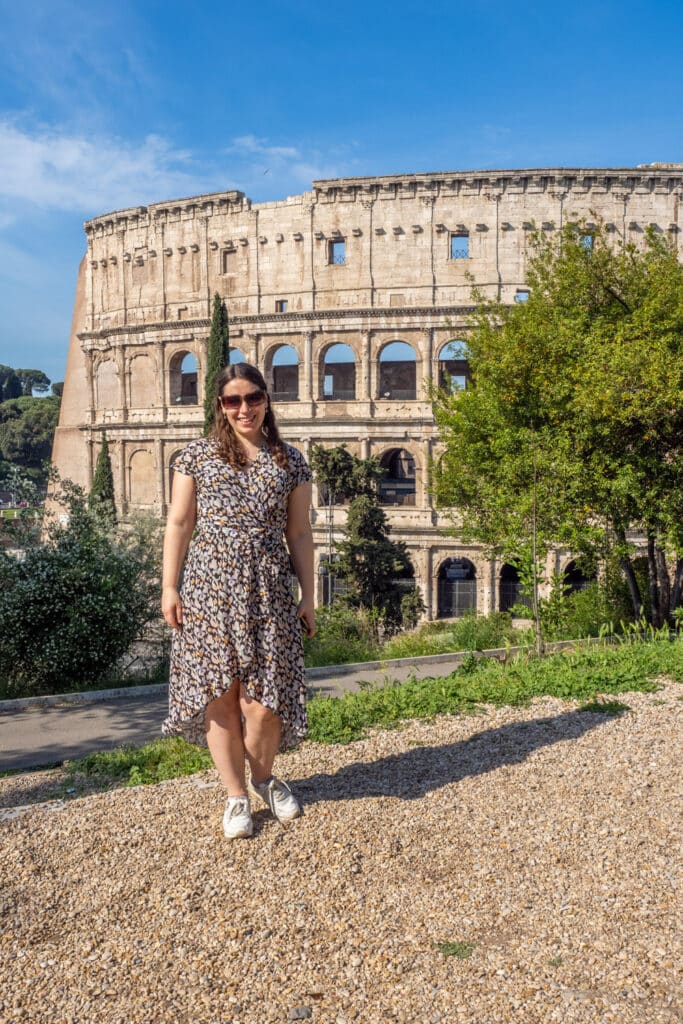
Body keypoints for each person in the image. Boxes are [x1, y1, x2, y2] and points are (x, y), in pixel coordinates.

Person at [161, 362, 315, 839]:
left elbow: (300, 533)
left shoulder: (291, 461)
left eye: (252, 398)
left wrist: (309, 593)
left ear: (267, 400)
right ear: (220, 407)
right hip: (209, 588)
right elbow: (179, 523)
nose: (243, 408)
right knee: (219, 697)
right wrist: (169, 585)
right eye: (233, 400)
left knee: (263, 704)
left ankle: (265, 778)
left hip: (269, 590)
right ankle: (235, 796)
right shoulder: (196, 457)